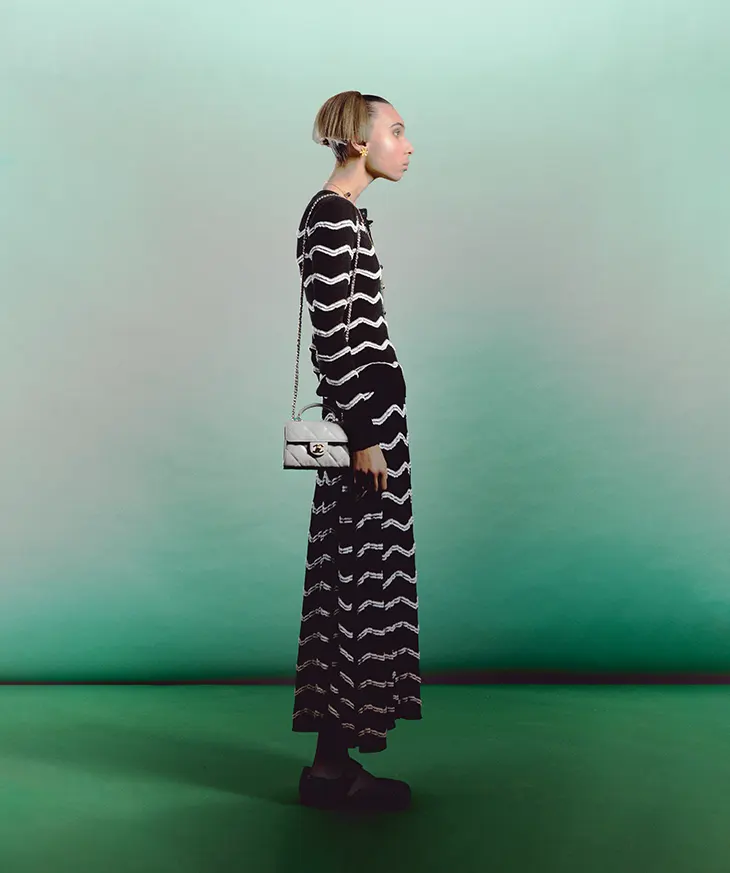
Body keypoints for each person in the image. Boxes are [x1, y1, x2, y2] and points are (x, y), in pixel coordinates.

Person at [292, 91, 420, 812]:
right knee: (354, 592)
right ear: (359, 141)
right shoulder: (332, 218)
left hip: (373, 425)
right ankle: (331, 773)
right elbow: (334, 340)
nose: (408, 145)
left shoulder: (344, 216)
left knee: (356, 589)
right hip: (364, 431)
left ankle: (330, 767)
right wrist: (367, 434)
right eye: (396, 132)